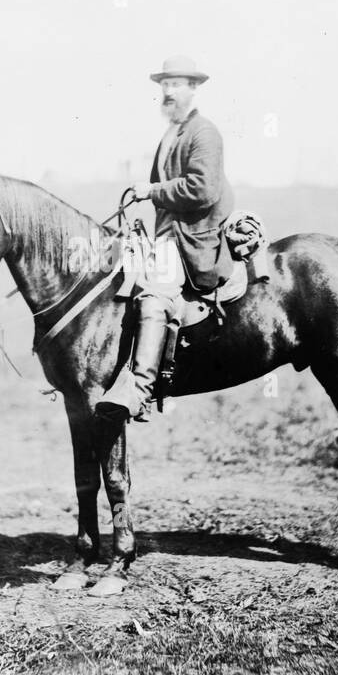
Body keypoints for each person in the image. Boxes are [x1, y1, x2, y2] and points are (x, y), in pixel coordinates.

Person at [96, 56, 235, 423]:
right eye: (165, 84)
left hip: (193, 238)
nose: (168, 91)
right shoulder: (172, 133)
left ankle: (140, 388)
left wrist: (153, 191)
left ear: (193, 88)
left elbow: (203, 189)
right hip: (168, 234)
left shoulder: (203, 132)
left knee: (156, 294)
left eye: (176, 84)